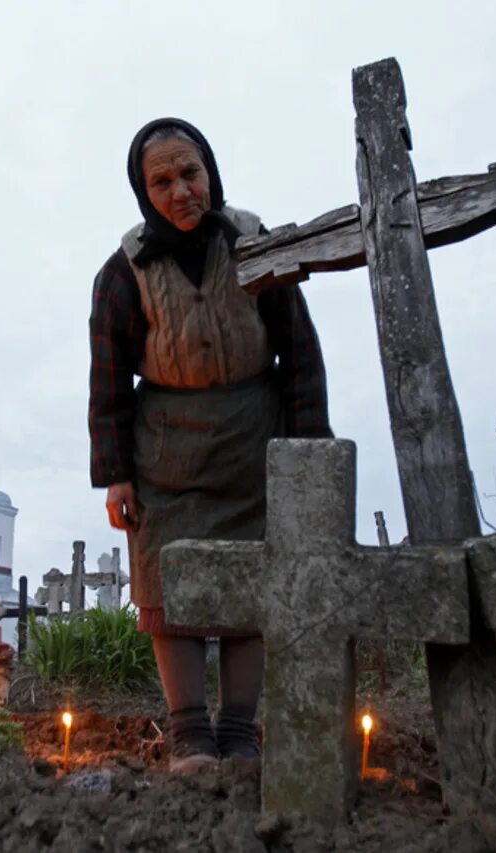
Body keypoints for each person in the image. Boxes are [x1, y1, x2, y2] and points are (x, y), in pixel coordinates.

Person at [88, 117, 331, 772]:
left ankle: (241, 730)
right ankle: (191, 732)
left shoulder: (254, 245)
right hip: (165, 448)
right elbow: (108, 379)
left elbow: (300, 350)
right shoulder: (123, 271)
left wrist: (308, 448)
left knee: (256, 578)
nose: (180, 191)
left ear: (211, 172)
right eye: (161, 180)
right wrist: (116, 473)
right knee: (169, 589)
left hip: (256, 434)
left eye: (189, 173)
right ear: (143, 191)